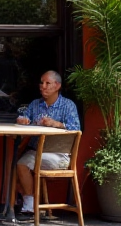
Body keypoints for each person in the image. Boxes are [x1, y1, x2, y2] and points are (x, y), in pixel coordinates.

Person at [15, 70, 80, 216]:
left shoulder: (68, 106)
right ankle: (27, 204)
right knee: (15, 165)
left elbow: (76, 128)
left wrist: (57, 124)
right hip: (36, 152)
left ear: (57, 86)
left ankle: (29, 205)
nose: (43, 86)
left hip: (59, 155)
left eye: (47, 83)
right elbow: (24, 117)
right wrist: (22, 120)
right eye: (41, 83)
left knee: (21, 164)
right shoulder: (35, 104)